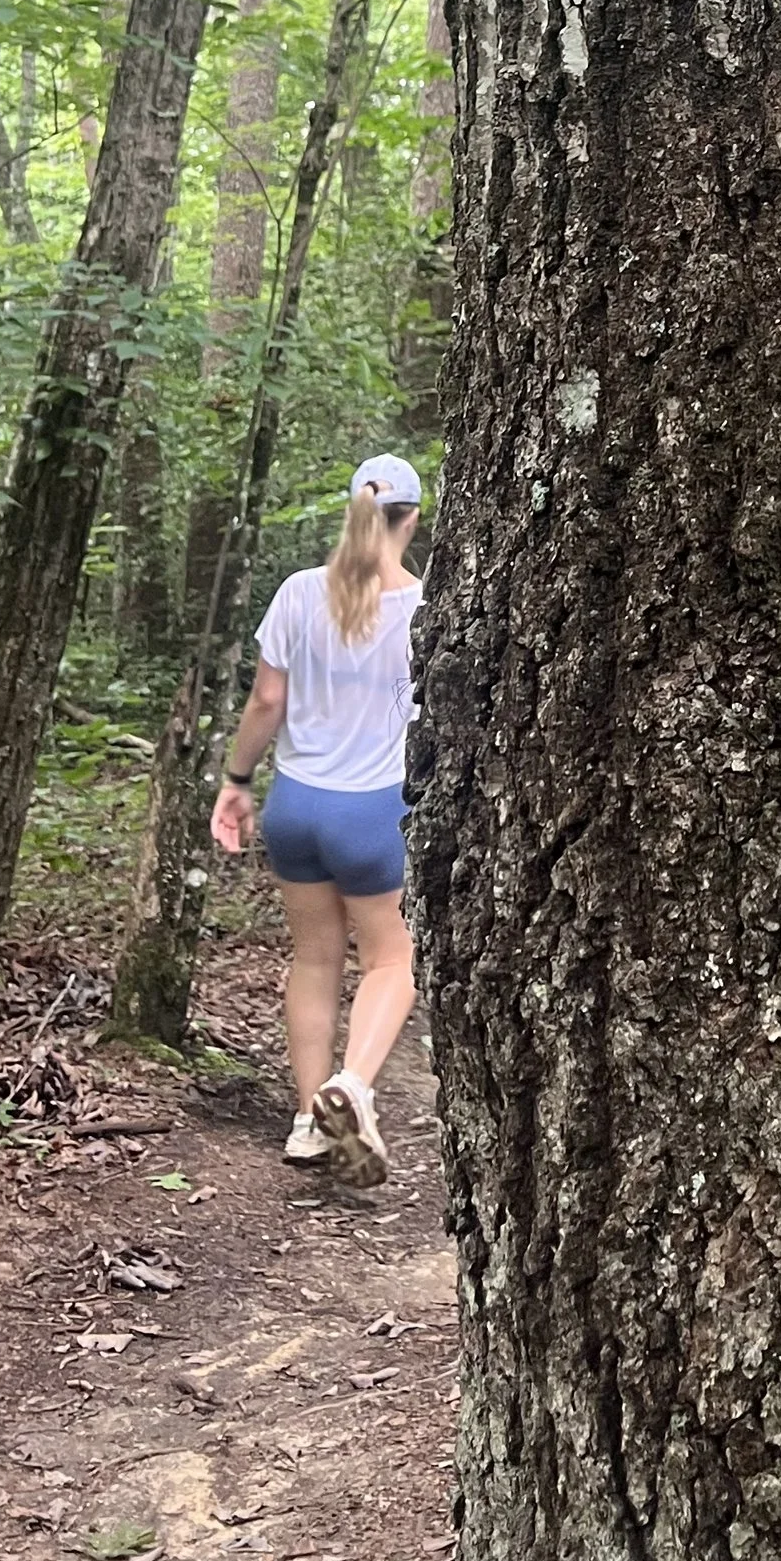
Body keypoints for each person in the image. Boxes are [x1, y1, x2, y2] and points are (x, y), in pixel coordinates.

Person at [211, 452, 426, 1184]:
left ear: (351, 511)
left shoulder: (299, 593)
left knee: (313, 959)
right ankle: (353, 1086)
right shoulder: (424, 609)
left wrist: (235, 780)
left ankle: (309, 1120)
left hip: (296, 805)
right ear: (412, 518)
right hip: (372, 811)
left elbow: (266, 701)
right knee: (392, 958)